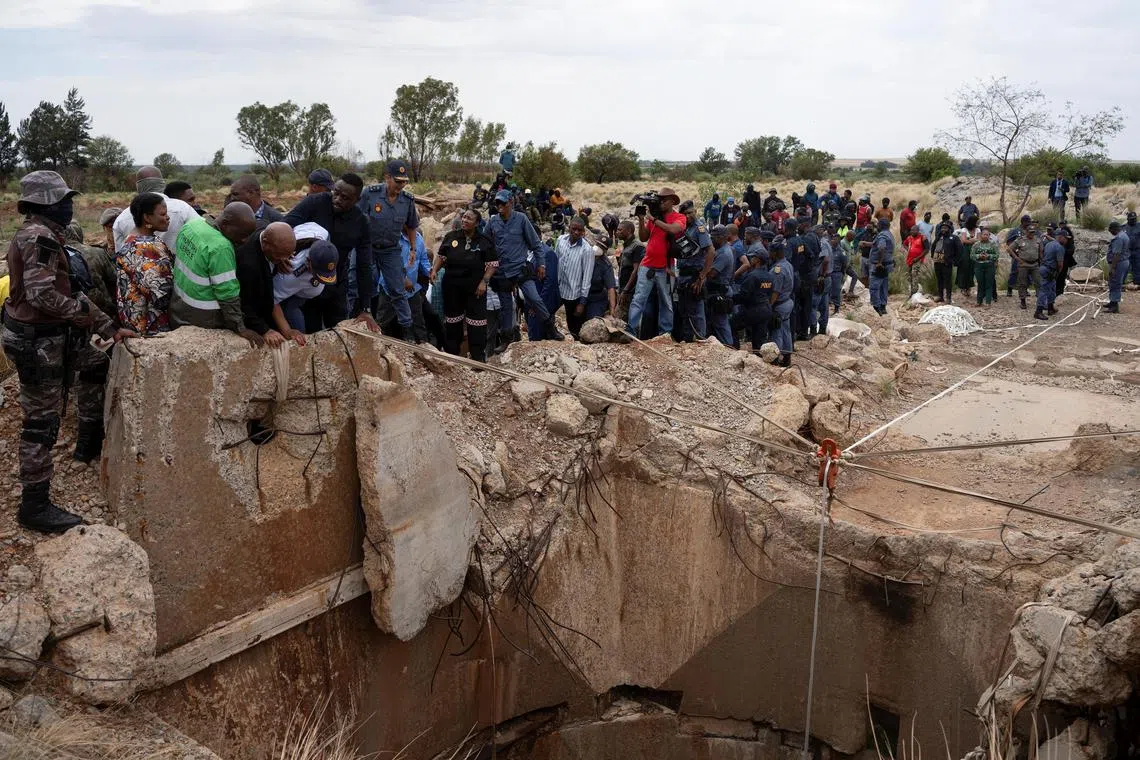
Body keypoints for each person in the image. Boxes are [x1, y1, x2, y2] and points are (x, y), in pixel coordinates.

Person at [3, 171, 135, 532]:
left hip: (43, 337)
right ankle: (34, 506)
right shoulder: (41, 238)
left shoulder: (43, 234)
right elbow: (42, 295)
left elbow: (67, 290)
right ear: (45, 204)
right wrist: (83, 317)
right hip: (38, 341)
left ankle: (87, 444)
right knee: (41, 423)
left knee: (94, 361)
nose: (70, 207)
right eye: (63, 201)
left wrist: (106, 326)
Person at [284, 172, 375, 332]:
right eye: (336, 193)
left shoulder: (361, 223)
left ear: (357, 200)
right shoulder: (314, 203)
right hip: (305, 282)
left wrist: (366, 309)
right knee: (308, 331)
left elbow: (364, 265)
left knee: (337, 332)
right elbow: (285, 226)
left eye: (345, 197)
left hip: (336, 285)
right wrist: (282, 255)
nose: (337, 199)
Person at [170, 203, 261, 344]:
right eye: (242, 234)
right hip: (204, 315)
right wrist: (240, 327)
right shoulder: (221, 247)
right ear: (225, 224)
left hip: (178, 305)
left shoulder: (192, 225)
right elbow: (227, 294)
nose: (244, 240)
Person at [358, 161, 422, 338]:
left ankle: (407, 332)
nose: (401, 186)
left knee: (397, 290)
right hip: (368, 248)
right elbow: (357, 219)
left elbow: (411, 226)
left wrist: (413, 249)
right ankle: (362, 321)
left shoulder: (407, 200)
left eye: (404, 182)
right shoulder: (370, 194)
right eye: (398, 181)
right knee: (365, 284)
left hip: (391, 250)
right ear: (387, 177)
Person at [430, 209, 498, 361]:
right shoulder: (451, 237)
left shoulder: (484, 240)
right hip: (452, 287)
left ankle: (478, 359)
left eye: (469, 218)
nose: (465, 220)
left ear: (477, 223)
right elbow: (441, 257)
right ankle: (453, 356)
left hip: (476, 290)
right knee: (453, 321)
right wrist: (434, 270)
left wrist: (484, 282)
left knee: (477, 323)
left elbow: (493, 265)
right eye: (464, 217)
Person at [628, 188, 684, 337]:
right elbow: (644, 238)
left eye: (664, 200)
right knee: (639, 298)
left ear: (672, 201)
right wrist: (641, 219)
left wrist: (653, 220)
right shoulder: (656, 217)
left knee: (666, 301)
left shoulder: (678, 217)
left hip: (666, 267)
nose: (661, 202)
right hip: (648, 264)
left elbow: (673, 229)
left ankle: (665, 333)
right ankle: (631, 329)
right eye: (660, 199)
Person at [116, 192, 174, 335]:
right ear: (147, 217)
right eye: (162, 214)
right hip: (150, 325)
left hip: (135, 319)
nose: (167, 218)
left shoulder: (134, 238)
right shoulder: (144, 248)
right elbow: (161, 295)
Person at [234, 222, 300, 347]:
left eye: (287, 254)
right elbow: (244, 304)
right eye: (279, 255)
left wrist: (281, 256)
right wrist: (264, 330)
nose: (283, 260)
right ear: (265, 243)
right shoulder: (248, 264)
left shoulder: (267, 229)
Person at [113, 166, 197, 253]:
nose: (167, 218)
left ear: (138, 187)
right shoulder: (182, 208)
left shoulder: (121, 219)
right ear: (162, 184)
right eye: (163, 214)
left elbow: (120, 255)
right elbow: (202, 235)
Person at [275, 232, 339, 337]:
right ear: (309, 261)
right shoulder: (291, 274)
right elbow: (272, 299)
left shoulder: (323, 234)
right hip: (290, 296)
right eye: (318, 273)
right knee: (293, 316)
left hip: (307, 294)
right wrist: (287, 330)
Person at [374, 228, 432, 342]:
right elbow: (386, 262)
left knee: (418, 325)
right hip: (390, 289)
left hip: (412, 291)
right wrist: (402, 279)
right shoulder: (391, 236)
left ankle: (424, 353)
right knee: (383, 323)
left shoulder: (419, 239)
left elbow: (423, 259)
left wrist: (430, 273)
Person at [673, 200, 715, 342]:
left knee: (696, 310)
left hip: (694, 274)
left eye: (690, 213)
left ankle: (700, 339)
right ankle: (688, 339)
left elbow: (710, 251)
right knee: (685, 310)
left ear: (695, 212)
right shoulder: (684, 228)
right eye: (684, 214)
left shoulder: (699, 229)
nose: (688, 216)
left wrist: (702, 276)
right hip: (683, 274)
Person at [63, 218, 117, 323]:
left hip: (71, 314)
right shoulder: (97, 252)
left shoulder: (57, 255)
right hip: (104, 311)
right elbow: (114, 278)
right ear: (79, 234)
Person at [552, 217, 596, 338]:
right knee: (548, 314)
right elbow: (555, 261)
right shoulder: (561, 240)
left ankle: (577, 346)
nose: (576, 232)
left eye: (579, 230)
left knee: (574, 325)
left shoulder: (587, 250)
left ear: (583, 232)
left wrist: (582, 302)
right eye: (574, 229)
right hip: (558, 288)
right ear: (569, 228)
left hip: (573, 294)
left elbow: (587, 277)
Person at [733, 245, 774, 353]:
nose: (751, 259)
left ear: (757, 260)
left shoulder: (752, 276)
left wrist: (731, 299)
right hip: (766, 309)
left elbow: (744, 296)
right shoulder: (769, 276)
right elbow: (770, 293)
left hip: (753, 309)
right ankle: (759, 359)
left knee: (731, 325)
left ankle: (734, 352)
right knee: (759, 339)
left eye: (752, 257)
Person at [706, 225, 736, 345]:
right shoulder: (721, 249)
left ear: (723, 237)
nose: (712, 240)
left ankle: (729, 347)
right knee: (717, 322)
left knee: (721, 323)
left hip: (720, 291)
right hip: (717, 290)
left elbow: (711, 274)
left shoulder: (724, 253)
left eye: (715, 237)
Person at [768, 237, 794, 366]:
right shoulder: (788, 264)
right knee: (785, 330)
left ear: (775, 253)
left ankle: (775, 358)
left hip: (779, 304)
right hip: (787, 302)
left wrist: (769, 306)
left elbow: (775, 292)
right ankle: (787, 357)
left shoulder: (777, 269)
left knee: (776, 331)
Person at [1036, 227, 1068, 320]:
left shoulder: (1049, 244)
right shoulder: (1060, 248)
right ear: (1061, 237)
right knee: (1044, 290)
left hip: (1044, 267)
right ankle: (1038, 311)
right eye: (1065, 238)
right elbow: (1060, 264)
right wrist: (1058, 273)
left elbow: (1042, 253)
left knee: (1052, 289)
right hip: (1050, 270)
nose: (1066, 240)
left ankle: (1050, 308)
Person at [616, 220, 645, 321]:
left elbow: (636, 270)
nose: (617, 232)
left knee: (632, 317)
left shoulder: (637, 246)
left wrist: (625, 290)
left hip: (631, 290)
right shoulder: (626, 246)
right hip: (624, 288)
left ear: (629, 231)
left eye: (620, 230)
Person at [1009, 224, 1043, 310]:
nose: (1032, 234)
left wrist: (1041, 261)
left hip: (1035, 264)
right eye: (1030, 232)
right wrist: (1016, 258)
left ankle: (1040, 301)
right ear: (1026, 232)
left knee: (1038, 282)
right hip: (1023, 264)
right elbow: (1009, 249)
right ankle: (1023, 301)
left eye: (1033, 232)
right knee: (1022, 283)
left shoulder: (1038, 240)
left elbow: (1041, 252)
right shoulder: (1020, 240)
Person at [584, 240, 618, 321]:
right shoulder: (585, 254)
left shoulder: (606, 265)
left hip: (596, 297)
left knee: (593, 320)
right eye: (598, 244)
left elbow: (611, 288)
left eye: (602, 247)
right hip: (581, 294)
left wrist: (612, 310)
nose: (598, 247)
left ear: (605, 251)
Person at [930, 221, 961, 304]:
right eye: (942, 228)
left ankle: (948, 298)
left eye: (945, 228)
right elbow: (933, 246)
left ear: (949, 229)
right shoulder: (938, 237)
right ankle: (941, 296)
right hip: (937, 262)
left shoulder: (954, 238)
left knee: (947, 281)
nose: (943, 229)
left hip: (947, 262)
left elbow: (959, 250)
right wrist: (932, 256)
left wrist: (955, 260)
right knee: (939, 280)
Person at [868, 218, 894, 315]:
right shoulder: (889, 234)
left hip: (879, 266)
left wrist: (879, 262)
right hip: (887, 265)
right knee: (883, 286)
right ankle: (883, 306)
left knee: (874, 287)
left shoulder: (882, 235)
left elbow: (881, 247)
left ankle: (876, 307)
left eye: (878, 224)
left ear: (881, 225)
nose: (876, 226)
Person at [1003, 215, 1033, 297]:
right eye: (1028, 222)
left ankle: (1025, 289)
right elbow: (1009, 242)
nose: (1030, 224)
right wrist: (1014, 252)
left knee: (1027, 272)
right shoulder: (1015, 231)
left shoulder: (1029, 230)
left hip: (1028, 255)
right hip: (1017, 255)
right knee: (1014, 272)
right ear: (1024, 222)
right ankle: (1009, 289)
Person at [1105, 221, 1130, 313]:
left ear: (1114, 229)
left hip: (1119, 263)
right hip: (1124, 262)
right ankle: (1112, 301)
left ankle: (1114, 306)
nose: (1110, 232)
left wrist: (1113, 268)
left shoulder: (1119, 238)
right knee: (1114, 282)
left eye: (1110, 230)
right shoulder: (1124, 235)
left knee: (1115, 283)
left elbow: (1116, 254)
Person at [971, 227, 999, 306]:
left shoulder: (993, 244)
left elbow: (997, 255)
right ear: (981, 235)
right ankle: (979, 302)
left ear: (989, 236)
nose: (985, 236)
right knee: (980, 284)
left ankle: (988, 302)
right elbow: (972, 255)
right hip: (978, 266)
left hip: (990, 265)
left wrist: (988, 256)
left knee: (989, 284)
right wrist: (979, 256)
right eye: (984, 234)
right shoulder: (976, 244)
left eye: (987, 235)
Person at [956, 216, 979, 296]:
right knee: (964, 267)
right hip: (965, 250)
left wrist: (970, 241)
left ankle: (969, 287)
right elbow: (963, 240)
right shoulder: (964, 230)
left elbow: (979, 240)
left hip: (975, 250)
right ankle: (963, 287)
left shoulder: (978, 230)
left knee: (972, 268)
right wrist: (973, 240)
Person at [903, 226, 928, 297]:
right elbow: (904, 243)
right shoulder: (909, 237)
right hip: (910, 259)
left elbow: (927, 249)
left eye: (913, 230)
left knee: (914, 274)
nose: (912, 232)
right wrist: (908, 249)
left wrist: (918, 258)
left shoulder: (922, 237)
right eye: (911, 230)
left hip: (918, 260)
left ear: (917, 231)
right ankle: (912, 292)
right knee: (910, 276)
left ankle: (914, 293)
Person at [1125, 211, 1140, 286]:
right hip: (1127, 251)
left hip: (1138, 251)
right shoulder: (1123, 227)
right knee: (1125, 267)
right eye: (1131, 219)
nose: (1133, 220)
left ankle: (1137, 283)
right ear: (1127, 219)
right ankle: (1124, 283)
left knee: (1138, 266)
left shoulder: (1139, 226)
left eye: (1134, 219)